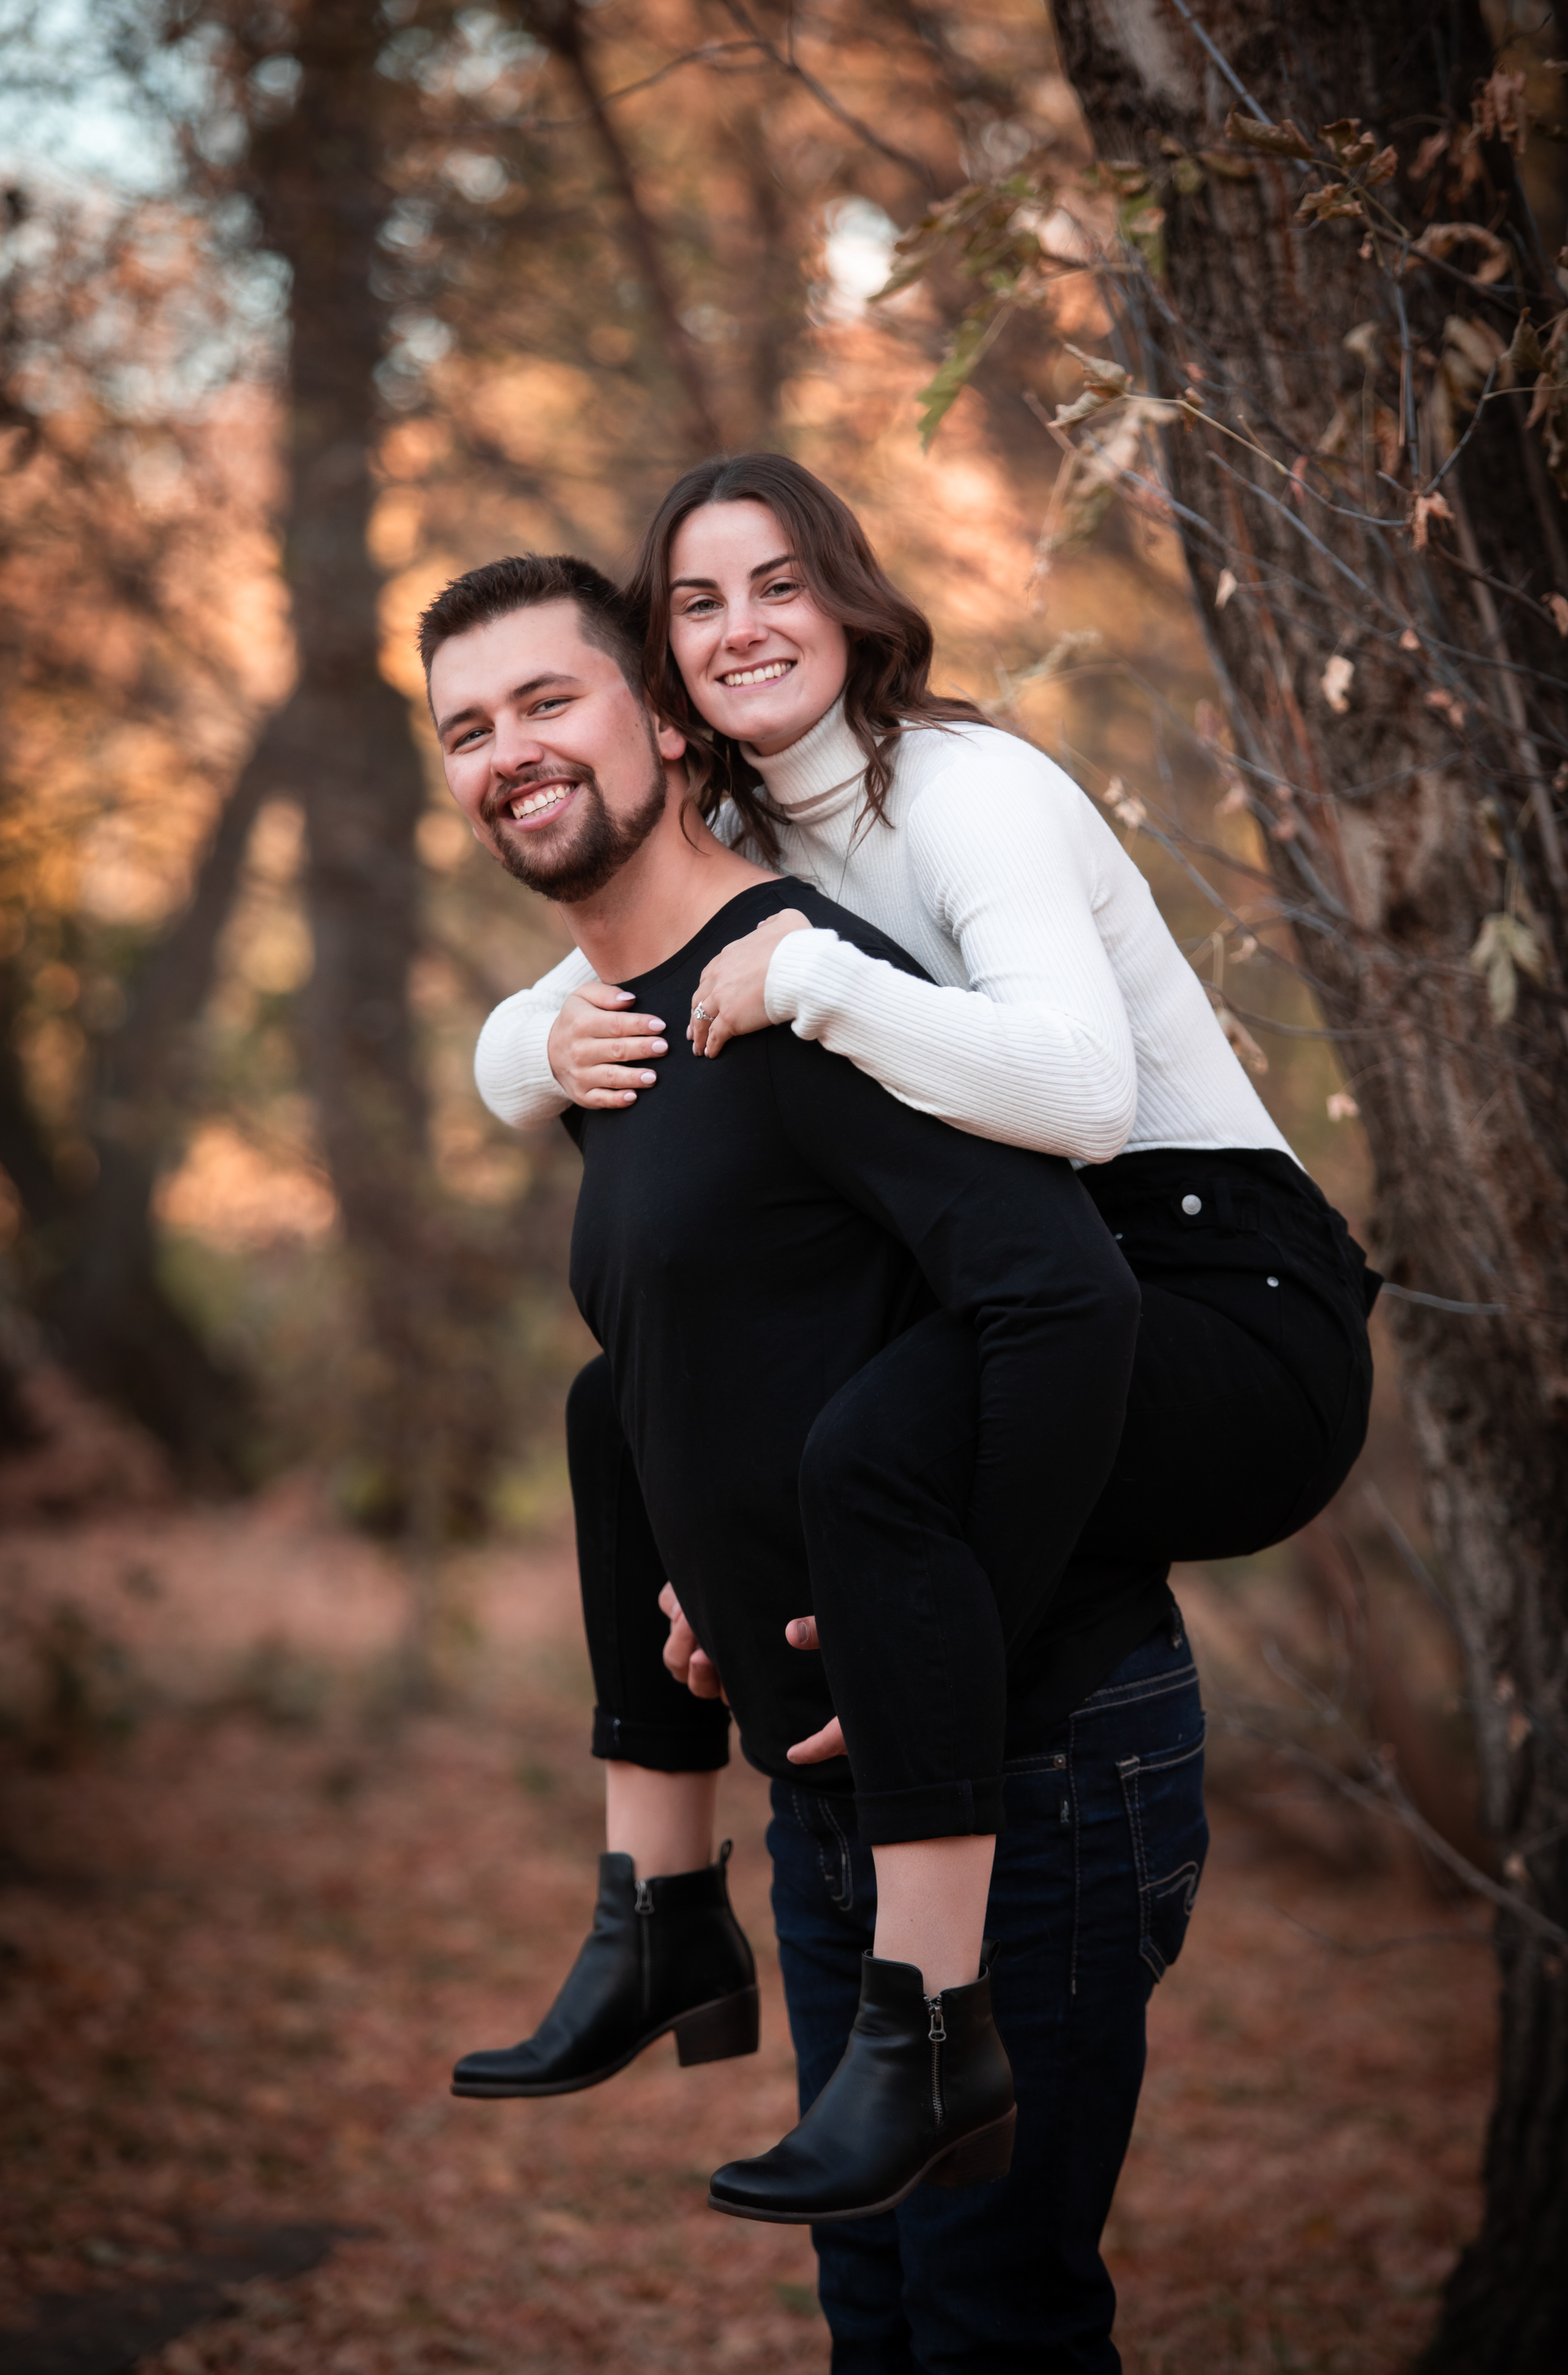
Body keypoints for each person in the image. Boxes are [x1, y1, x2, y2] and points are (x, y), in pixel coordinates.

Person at [463, 459, 1378, 2370]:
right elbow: (583, 952)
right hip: (1047, 1286)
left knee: (880, 1460)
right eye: (697, 606)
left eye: (778, 582)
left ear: (852, 598)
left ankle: (933, 1973)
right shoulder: (725, 825)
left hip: (1214, 1288)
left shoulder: (962, 789)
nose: (741, 629)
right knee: (621, 1401)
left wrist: (813, 986)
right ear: (665, 668)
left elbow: (1081, 1098)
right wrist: (521, 1049)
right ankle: (663, 1905)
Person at [423, 553, 1146, 2241]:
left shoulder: (800, 988)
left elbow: (1061, 1298)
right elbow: (751, 1350)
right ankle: (661, 1910)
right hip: (839, 1780)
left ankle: (845, 1995)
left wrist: (961, 1623)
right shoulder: (615, 1035)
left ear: (670, 730)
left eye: (547, 701)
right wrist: (731, 1571)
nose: (505, 751)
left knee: (988, 2333)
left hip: (1017, 1764)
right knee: (882, 2320)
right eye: (466, 728)